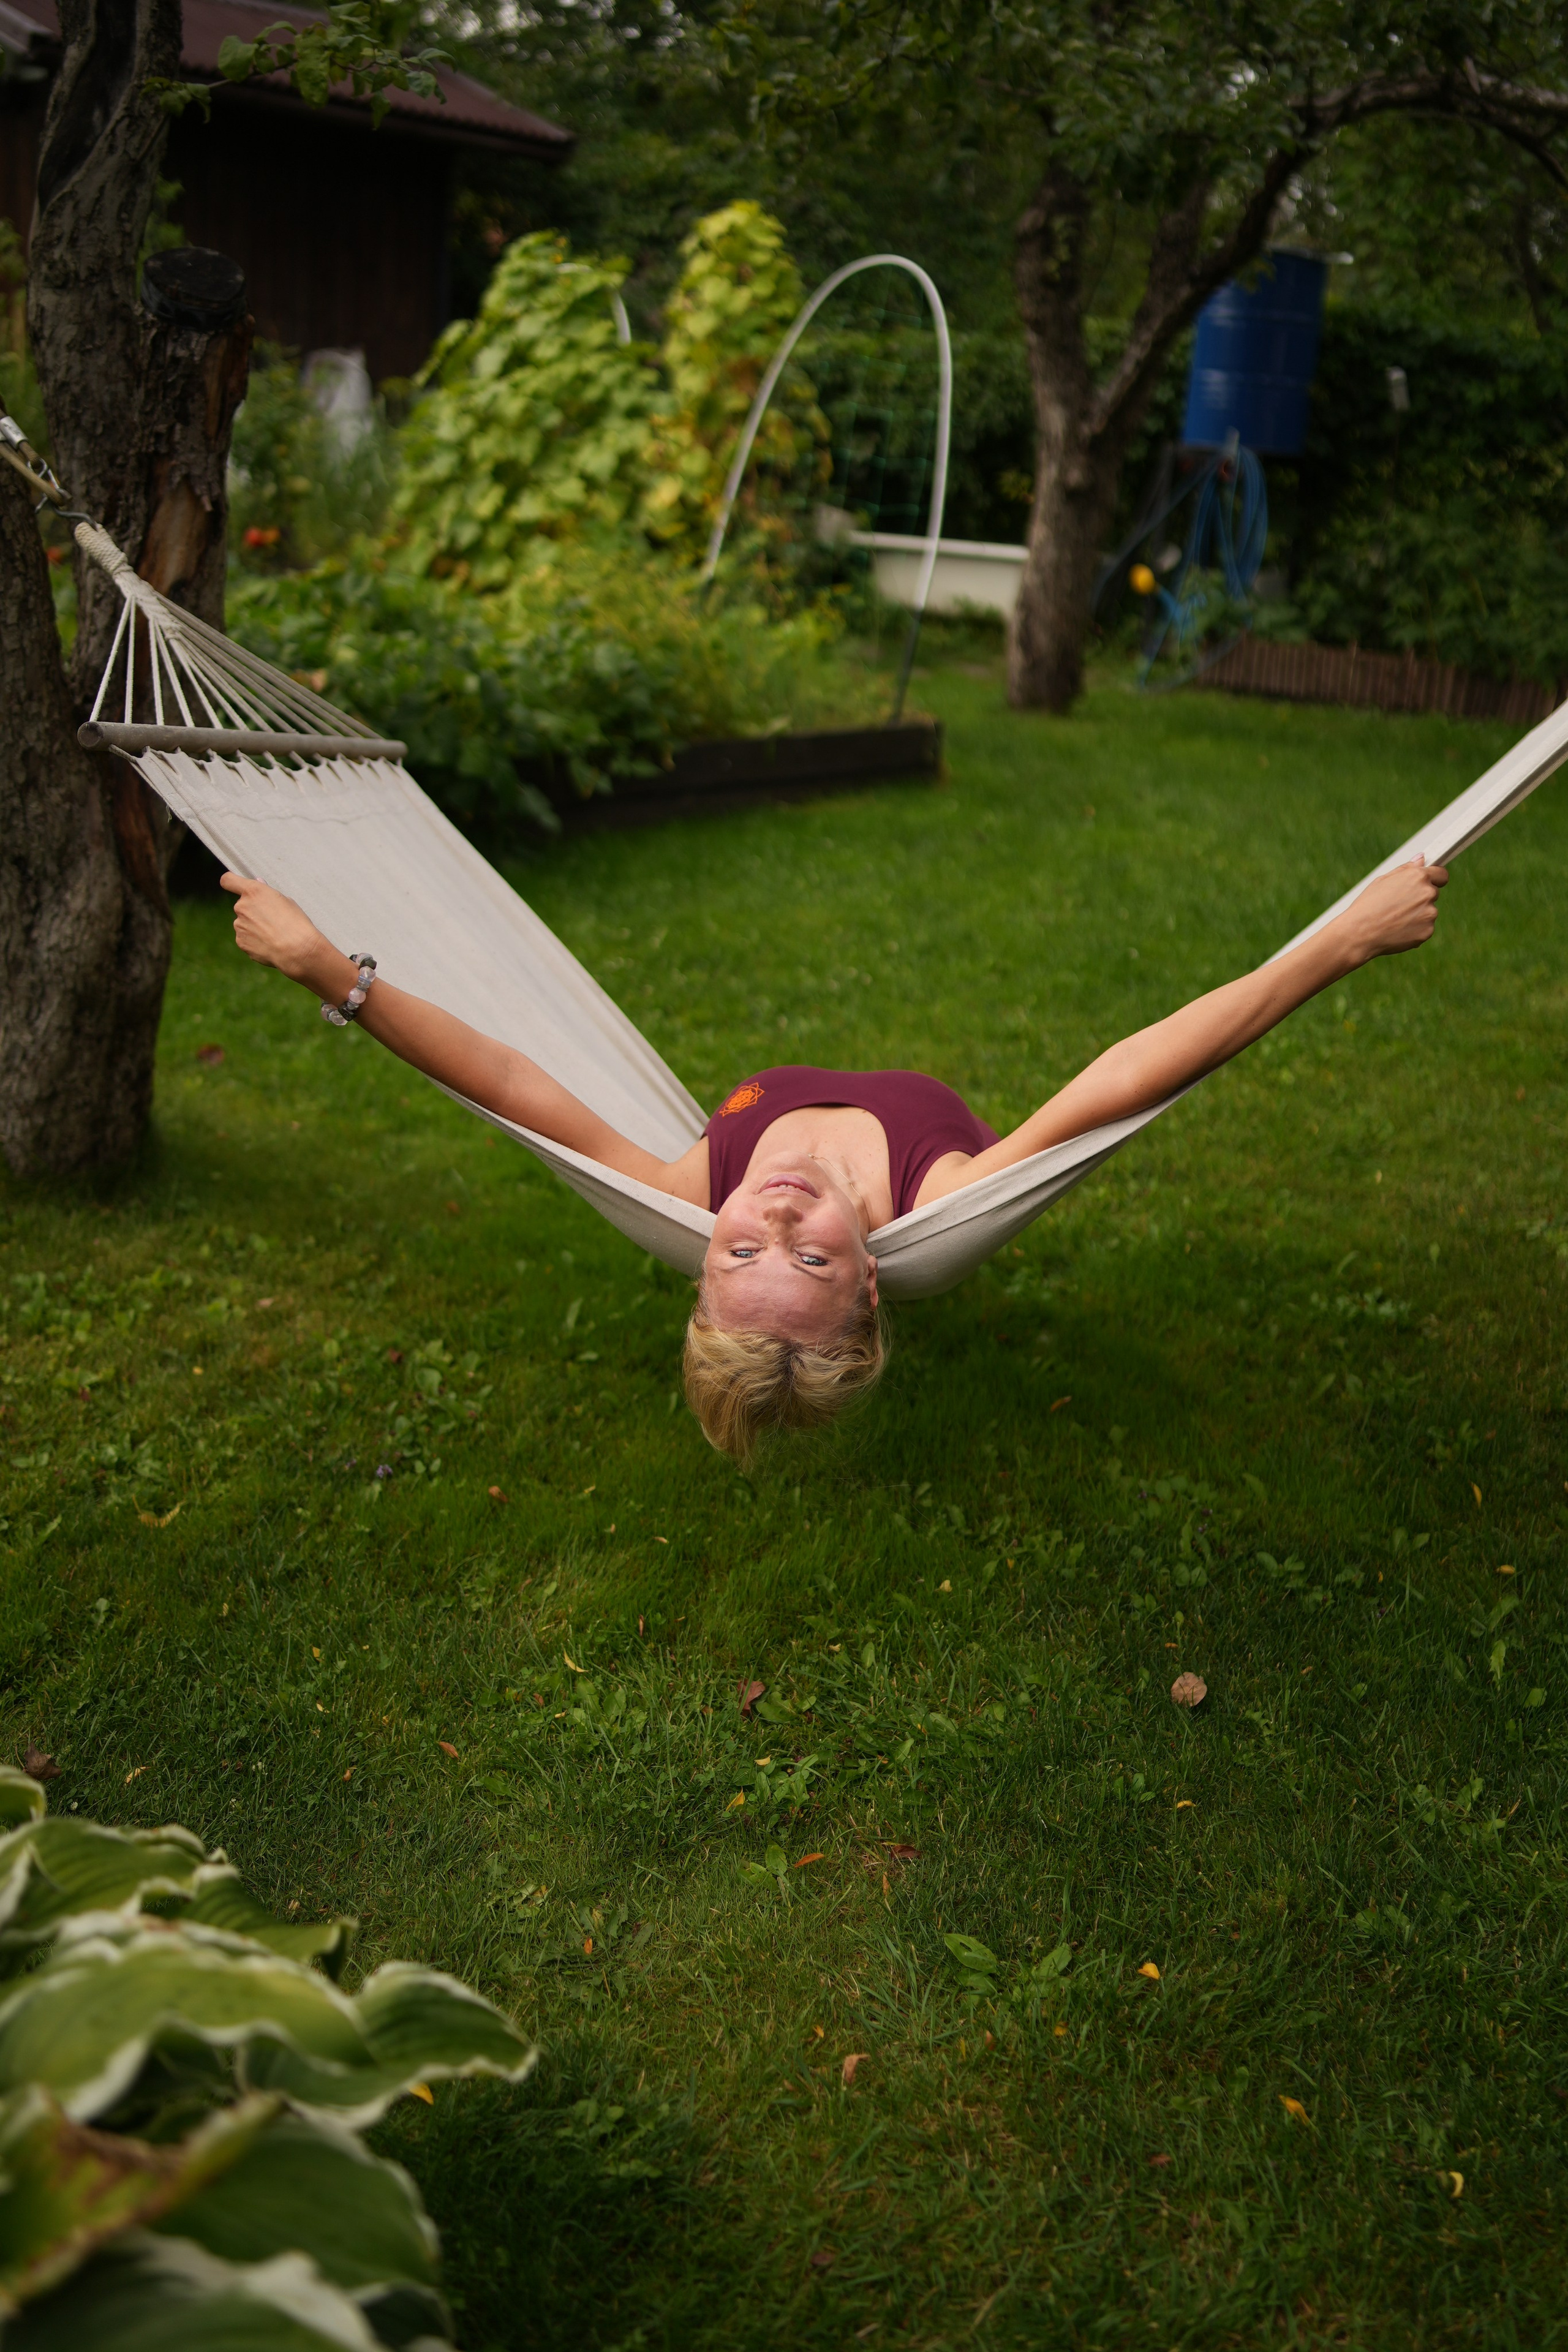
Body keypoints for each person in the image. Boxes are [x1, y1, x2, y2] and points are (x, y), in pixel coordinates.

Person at [221, 855, 1448, 1461]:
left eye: (738, 1250)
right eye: (803, 1256)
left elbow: (504, 1083)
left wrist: (333, 972)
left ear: (698, 1259)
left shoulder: (693, 1191)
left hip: (347, 974)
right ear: (869, 1283)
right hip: (923, 1161)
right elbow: (1128, 1075)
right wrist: (1336, 944)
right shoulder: (940, 1201)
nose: (775, 1209)